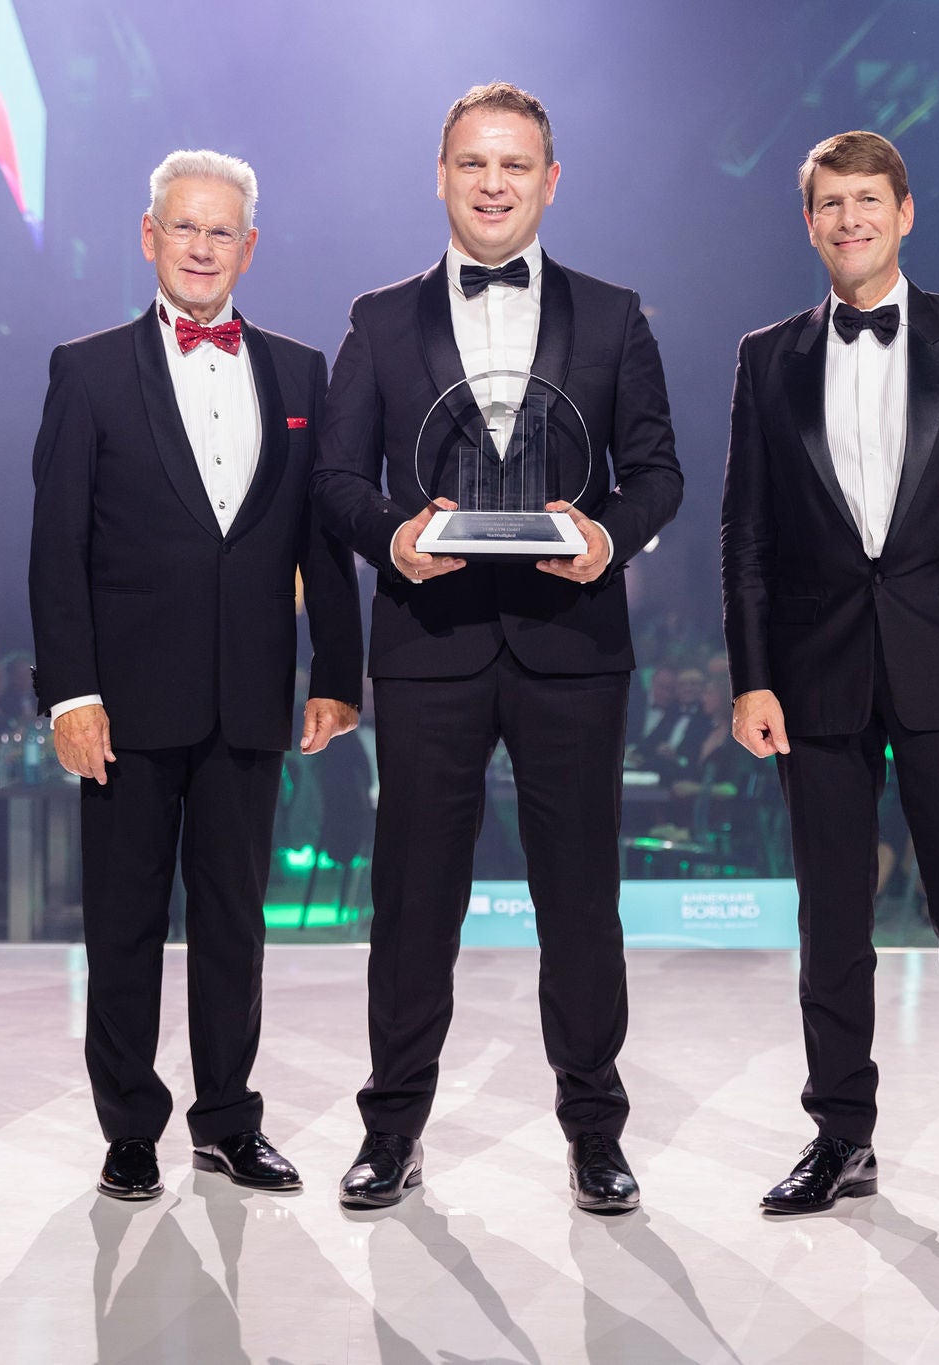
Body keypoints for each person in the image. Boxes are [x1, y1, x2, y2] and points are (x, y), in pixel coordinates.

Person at [311, 82, 683, 1215]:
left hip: (574, 641)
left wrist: (607, 536)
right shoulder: (380, 318)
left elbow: (657, 472)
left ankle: (595, 1135)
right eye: (472, 162)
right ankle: (391, 1129)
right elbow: (336, 479)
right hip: (429, 639)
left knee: (582, 898)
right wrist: (393, 537)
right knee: (412, 897)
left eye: (514, 164)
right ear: (441, 175)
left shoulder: (615, 313)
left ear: (550, 181)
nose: (491, 183)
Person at [721, 131, 939, 1234]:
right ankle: (840, 1135)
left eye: (868, 199)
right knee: (831, 918)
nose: (850, 219)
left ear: (904, 213)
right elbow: (745, 536)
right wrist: (751, 677)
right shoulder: (764, 355)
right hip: (813, 673)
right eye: (830, 203)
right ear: (808, 221)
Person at [28, 150, 363, 1202]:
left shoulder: (301, 371)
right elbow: (56, 546)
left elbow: (320, 537)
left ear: (248, 247)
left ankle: (226, 1120)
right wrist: (70, 692)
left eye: (222, 231)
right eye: (185, 227)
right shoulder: (86, 369)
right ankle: (130, 1129)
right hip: (123, 704)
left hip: (249, 696)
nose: (203, 248)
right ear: (150, 236)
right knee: (123, 924)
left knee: (233, 921)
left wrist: (336, 671)